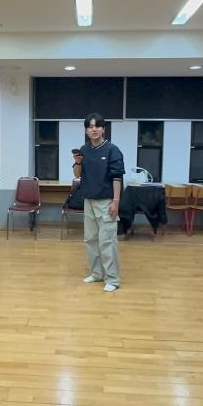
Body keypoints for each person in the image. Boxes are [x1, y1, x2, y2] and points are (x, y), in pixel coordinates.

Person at [73, 113, 125, 292]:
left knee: (107, 241)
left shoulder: (112, 150)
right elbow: (78, 175)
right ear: (86, 130)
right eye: (90, 126)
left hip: (106, 202)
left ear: (103, 129)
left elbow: (117, 177)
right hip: (88, 200)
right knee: (91, 240)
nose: (93, 129)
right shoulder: (84, 149)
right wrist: (77, 162)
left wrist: (116, 201)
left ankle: (113, 279)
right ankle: (96, 274)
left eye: (97, 126)